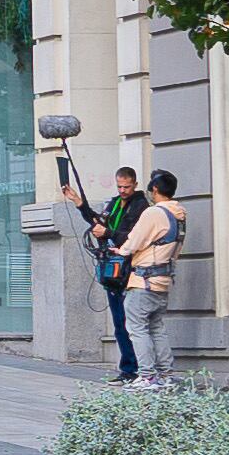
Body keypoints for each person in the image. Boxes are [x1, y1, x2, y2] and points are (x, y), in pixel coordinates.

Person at [65, 163, 146, 381]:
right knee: (119, 322)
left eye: (126, 187)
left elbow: (132, 236)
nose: (122, 191)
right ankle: (127, 368)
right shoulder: (115, 203)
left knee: (130, 322)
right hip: (112, 267)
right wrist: (78, 202)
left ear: (135, 184)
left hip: (128, 268)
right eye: (120, 187)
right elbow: (99, 222)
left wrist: (107, 231)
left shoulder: (140, 206)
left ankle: (137, 369)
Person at [116, 170, 188, 384]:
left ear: (154, 190)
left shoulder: (153, 213)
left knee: (136, 328)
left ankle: (146, 376)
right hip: (163, 279)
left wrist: (121, 251)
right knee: (156, 327)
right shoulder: (179, 213)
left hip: (143, 281)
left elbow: (133, 241)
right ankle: (166, 375)